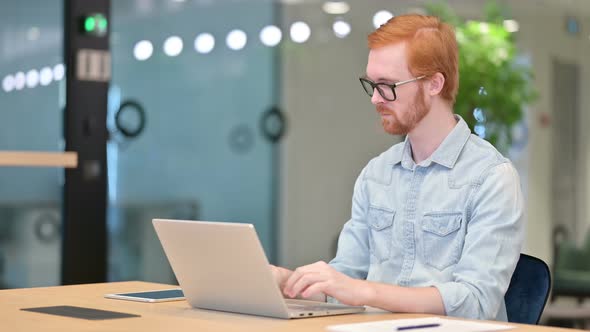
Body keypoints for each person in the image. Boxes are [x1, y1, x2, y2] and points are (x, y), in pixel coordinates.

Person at [271, 14, 524, 321]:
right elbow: (345, 277)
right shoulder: (376, 175)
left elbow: (476, 302)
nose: (376, 99)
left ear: (434, 83)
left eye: (388, 86)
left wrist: (364, 291)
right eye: (372, 85)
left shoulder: (491, 177)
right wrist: (290, 282)